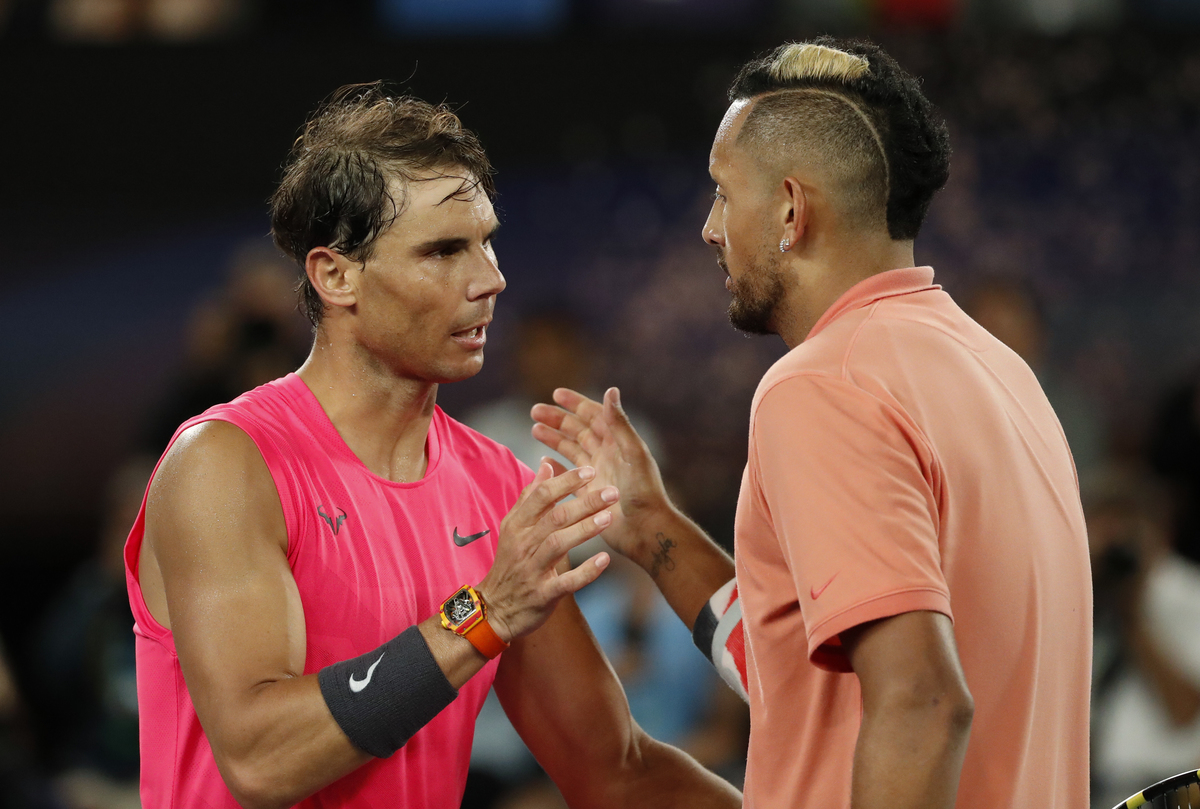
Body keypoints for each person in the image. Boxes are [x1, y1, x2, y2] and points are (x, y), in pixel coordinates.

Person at [123, 84, 741, 809]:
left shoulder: (500, 491)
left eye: (486, 241)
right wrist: (484, 614)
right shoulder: (225, 464)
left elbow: (618, 772)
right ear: (336, 275)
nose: (490, 279)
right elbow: (260, 758)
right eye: (444, 250)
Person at [532, 38, 1092, 809]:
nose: (710, 227)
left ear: (791, 211)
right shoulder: (1001, 372)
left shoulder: (823, 385)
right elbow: (806, 687)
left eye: (723, 193)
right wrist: (653, 525)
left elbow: (924, 703)